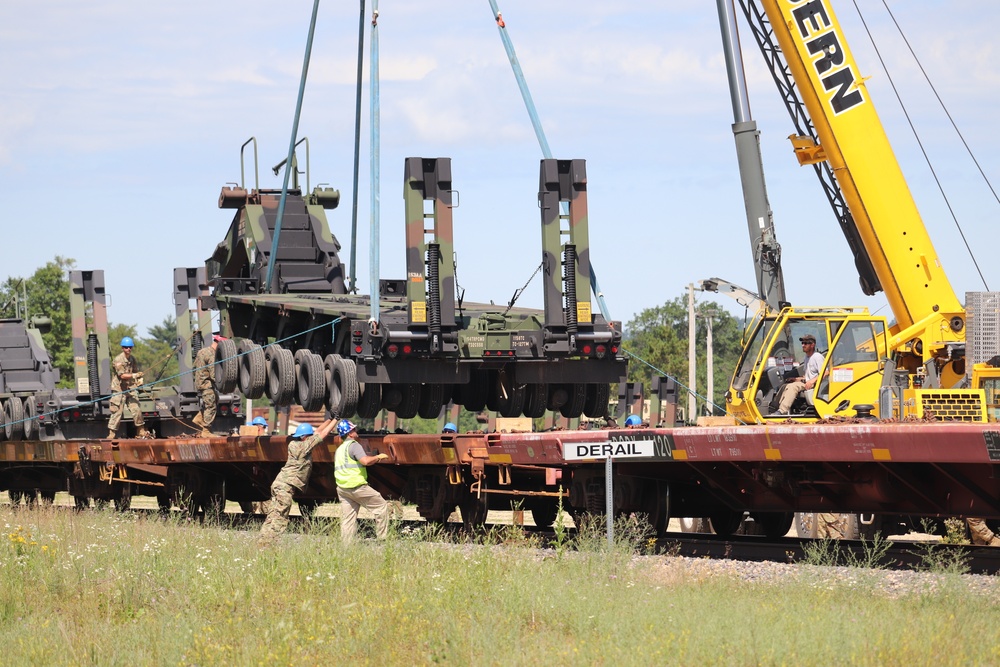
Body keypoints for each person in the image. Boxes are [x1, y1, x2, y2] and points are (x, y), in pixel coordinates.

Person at [259, 419, 337, 543]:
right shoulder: (304, 447)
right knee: (280, 517)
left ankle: (263, 539)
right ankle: (270, 542)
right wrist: (336, 420)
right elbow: (322, 434)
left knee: (273, 515)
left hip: (280, 484)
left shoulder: (295, 444)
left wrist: (329, 419)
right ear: (305, 437)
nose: (312, 437)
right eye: (310, 436)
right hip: (285, 487)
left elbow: (317, 432)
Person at [334, 419, 390, 543]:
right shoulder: (354, 445)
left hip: (343, 489)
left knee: (348, 520)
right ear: (349, 434)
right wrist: (377, 457)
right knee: (381, 507)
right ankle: (382, 539)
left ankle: (346, 547)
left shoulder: (339, 449)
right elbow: (365, 461)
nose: (356, 430)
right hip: (357, 487)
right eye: (353, 429)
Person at [107, 336, 149, 439]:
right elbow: (122, 375)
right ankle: (111, 434)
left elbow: (135, 372)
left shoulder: (132, 359)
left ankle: (141, 431)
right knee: (117, 412)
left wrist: (138, 380)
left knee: (136, 409)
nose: (128, 349)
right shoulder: (118, 360)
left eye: (130, 347)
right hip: (119, 389)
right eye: (126, 347)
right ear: (122, 348)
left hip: (130, 388)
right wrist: (134, 376)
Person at [774, 334, 825, 415]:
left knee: (793, 387)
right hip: (807, 383)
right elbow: (807, 376)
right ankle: (775, 407)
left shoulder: (817, 357)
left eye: (805, 343)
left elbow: (826, 373)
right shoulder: (807, 357)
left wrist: (812, 381)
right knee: (784, 385)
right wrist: (796, 379)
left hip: (814, 385)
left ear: (812, 345)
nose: (803, 345)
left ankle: (782, 411)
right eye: (802, 343)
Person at [192, 334, 222, 437]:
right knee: (211, 405)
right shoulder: (212, 354)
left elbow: (194, 367)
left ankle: (199, 418)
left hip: (200, 382)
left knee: (215, 399)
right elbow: (214, 374)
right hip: (206, 383)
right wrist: (221, 384)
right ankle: (206, 431)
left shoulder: (202, 351)